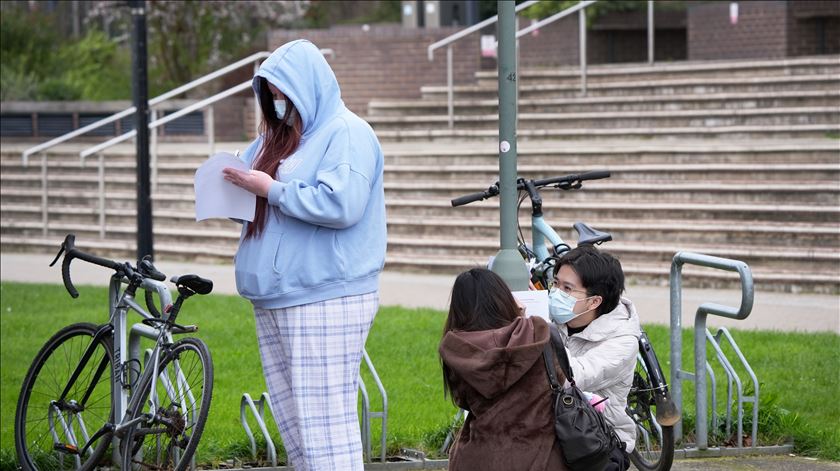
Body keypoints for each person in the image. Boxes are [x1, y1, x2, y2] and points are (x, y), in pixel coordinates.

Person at [222, 39, 386, 471]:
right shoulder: (276, 140)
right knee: (296, 427)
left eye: (283, 94)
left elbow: (343, 204)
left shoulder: (347, 133)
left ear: (308, 88)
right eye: (270, 95)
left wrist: (271, 190)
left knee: (325, 428)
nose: (277, 103)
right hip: (276, 295)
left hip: (324, 295)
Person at [439, 268, 569, 471]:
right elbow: (559, 382)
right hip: (543, 455)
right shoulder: (537, 333)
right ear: (505, 298)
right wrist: (522, 317)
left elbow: (462, 400)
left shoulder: (456, 349)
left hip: (480, 457)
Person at [548, 245, 640, 471]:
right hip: (556, 429)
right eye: (556, 283)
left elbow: (574, 377)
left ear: (594, 302)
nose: (556, 293)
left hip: (597, 442)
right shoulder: (559, 319)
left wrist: (539, 328)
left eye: (567, 288)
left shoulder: (623, 342)